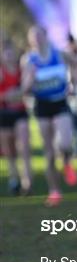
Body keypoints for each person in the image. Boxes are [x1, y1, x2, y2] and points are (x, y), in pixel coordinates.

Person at [22, 26, 77, 206]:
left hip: (60, 101)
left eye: (39, 35)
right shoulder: (28, 60)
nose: (37, 39)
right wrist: (30, 80)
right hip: (42, 105)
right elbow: (25, 88)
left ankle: (67, 162)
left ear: (46, 36)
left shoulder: (59, 54)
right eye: (34, 37)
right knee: (48, 151)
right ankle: (54, 191)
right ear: (31, 41)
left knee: (64, 143)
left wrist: (74, 82)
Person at [0, 39, 32, 195]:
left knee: (24, 148)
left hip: (20, 112)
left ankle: (27, 182)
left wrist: (14, 95)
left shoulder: (21, 69)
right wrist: (8, 96)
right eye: (6, 53)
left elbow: (26, 90)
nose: (9, 56)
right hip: (4, 115)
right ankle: (14, 180)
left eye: (11, 53)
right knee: (10, 152)